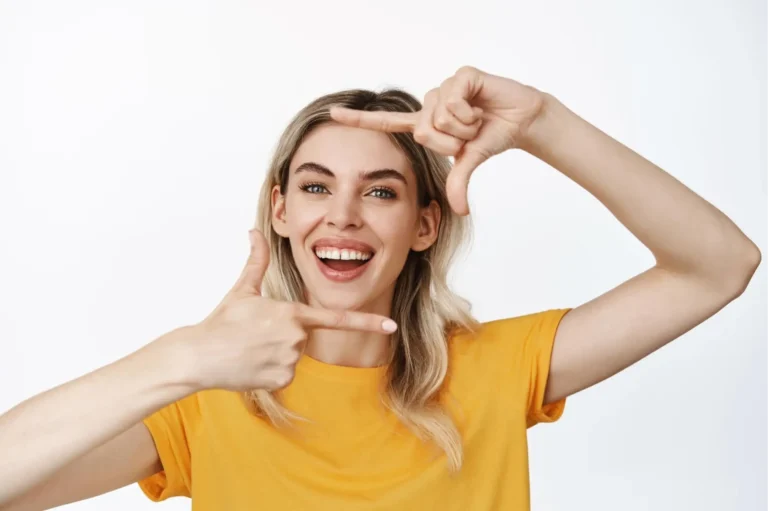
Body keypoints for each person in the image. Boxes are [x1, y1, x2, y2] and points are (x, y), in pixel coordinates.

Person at [0, 66, 760, 511]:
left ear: (426, 224)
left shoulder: (495, 367)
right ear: (281, 209)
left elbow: (719, 265)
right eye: (316, 185)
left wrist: (544, 124)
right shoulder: (204, 396)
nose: (342, 216)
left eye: (381, 192)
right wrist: (182, 356)